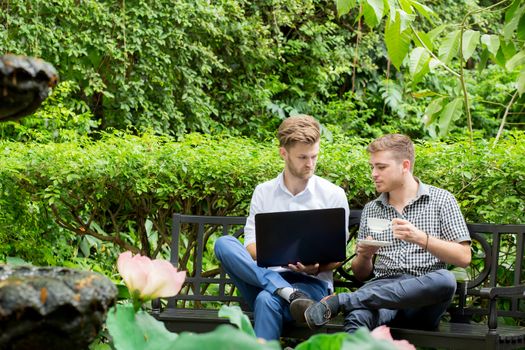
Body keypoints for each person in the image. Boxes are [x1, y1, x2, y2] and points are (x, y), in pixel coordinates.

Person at [292, 134, 471, 333]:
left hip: (422, 299)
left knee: (445, 280)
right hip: (382, 295)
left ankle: (342, 300)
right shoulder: (372, 208)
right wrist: (364, 255)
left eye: (381, 167)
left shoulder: (441, 200)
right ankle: (346, 309)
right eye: (372, 167)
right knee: (357, 317)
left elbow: (464, 257)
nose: (374, 173)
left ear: (404, 166)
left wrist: (419, 238)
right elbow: (361, 274)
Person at [214, 115, 350, 340]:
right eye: (303, 157)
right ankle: (284, 290)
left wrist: (313, 268)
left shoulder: (333, 194)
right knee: (224, 243)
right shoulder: (264, 192)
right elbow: (250, 245)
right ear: (283, 153)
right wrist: (279, 258)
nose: (310, 164)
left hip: (311, 286)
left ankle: (284, 292)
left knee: (266, 299)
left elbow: (338, 257)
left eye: (314, 156)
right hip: (264, 275)